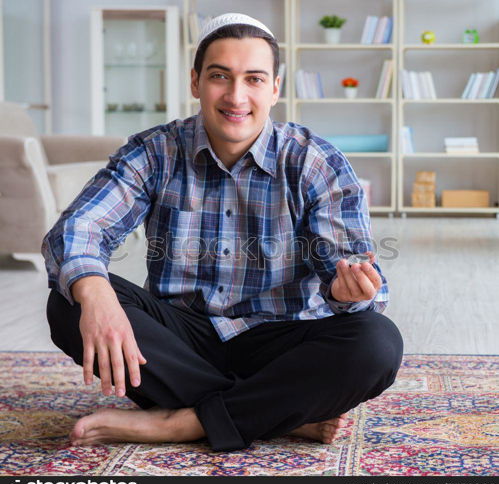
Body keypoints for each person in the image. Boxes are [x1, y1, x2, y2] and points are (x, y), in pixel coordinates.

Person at [42, 13, 403, 452]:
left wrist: (349, 291)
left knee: (377, 343)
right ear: (195, 82)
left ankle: (182, 422)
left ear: (275, 88)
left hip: (280, 337)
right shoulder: (155, 150)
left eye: (254, 79)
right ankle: (274, 412)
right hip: (183, 337)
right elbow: (79, 227)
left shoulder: (314, 161)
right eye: (219, 76)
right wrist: (94, 290)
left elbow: (351, 273)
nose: (236, 96)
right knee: (69, 299)